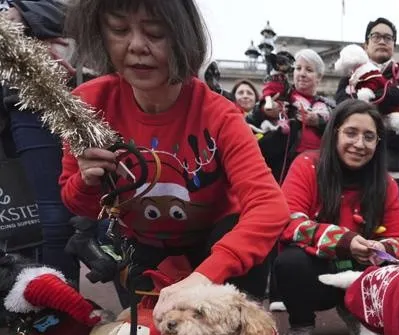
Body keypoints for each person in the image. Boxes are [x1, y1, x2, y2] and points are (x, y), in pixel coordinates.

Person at [59, 0, 288, 311]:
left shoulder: (220, 115)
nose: (137, 46)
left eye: (155, 32)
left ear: (182, 38)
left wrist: (207, 275)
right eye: (119, 30)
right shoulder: (87, 103)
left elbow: (269, 206)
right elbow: (78, 203)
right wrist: (86, 181)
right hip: (141, 247)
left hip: (215, 245)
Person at [274, 100, 399, 335]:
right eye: (351, 133)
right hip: (315, 273)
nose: (359, 144)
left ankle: (359, 313)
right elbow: (288, 222)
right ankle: (301, 323)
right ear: (334, 131)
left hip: (360, 274)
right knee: (290, 262)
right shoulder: (306, 165)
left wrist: (379, 248)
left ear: (378, 144)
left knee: (396, 266)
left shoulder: (387, 183)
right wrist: (343, 241)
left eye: (369, 137)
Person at [2, 0, 81, 285]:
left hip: (80, 95)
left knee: (112, 215)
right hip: (21, 106)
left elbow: (87, 14)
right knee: (50, 220)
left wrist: (23, 15)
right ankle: (60, 309)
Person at [335, 17, 399, 229]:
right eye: (376, 36)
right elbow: (342, 111)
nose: (382, 41)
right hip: (356, 173)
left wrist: (390, 138)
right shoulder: (351, 77)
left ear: (394, 45)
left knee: (394, 237)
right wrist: (392, 96)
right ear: (366, 44)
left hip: (398, 172)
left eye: (388, 38)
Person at [251, 49, 332, 184]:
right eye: (298, 68)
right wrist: (265, 111)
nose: (302, 74)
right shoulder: (283, 96)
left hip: (319, 172)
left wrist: (318, 121)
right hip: (283, 171)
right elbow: (252, 119)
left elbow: (337, 131)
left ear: (319, 77)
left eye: (309, 70)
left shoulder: (328, 106)